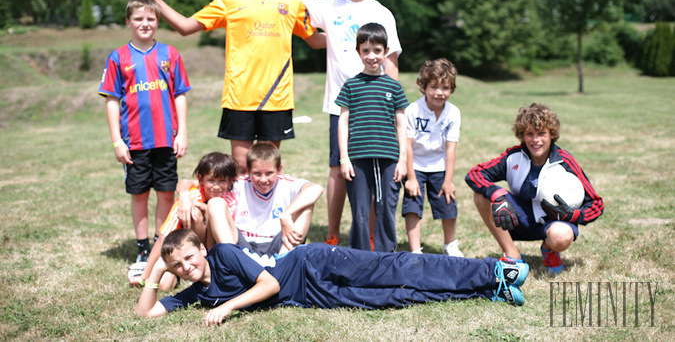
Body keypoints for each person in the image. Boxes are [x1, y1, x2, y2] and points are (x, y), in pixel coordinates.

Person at [129, 0, 326, 174]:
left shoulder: (291, 1)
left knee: (266, 170)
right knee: (242, 168)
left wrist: (350, 38)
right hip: (239, 97)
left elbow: (316, 41)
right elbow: (185, 27)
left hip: (277, 98)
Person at [275, 0, 402, 246]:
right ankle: (333, 233)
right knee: (338, 168)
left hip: (375, 105)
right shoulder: (333, 7)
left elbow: (392, 61)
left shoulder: (382, 14)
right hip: (341, 105)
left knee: (373, 169)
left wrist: (391, 100)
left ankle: (371, 236)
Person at [135, 229, 530, 324]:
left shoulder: (222, 254)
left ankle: (495, 268)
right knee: (395, 297)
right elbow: (144, 315)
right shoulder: (196, 294)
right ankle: (489, 290)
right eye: (179, 267)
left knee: (397, 267)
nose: (187, 268)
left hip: (312, 264)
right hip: (312, 296)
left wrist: (228, 309)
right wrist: (155, 272)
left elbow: (269, 284)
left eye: (189, 258)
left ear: (200, 249)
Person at [99, 0, 191, 263]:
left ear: (157, 21)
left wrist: (182, 133)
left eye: (150, 18)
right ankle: (142, 250)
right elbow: (112, 100)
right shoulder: (118, 57)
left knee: (166, 193)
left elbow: (180, 95)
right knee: (139, 194)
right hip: (134, 142)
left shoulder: (170, 54)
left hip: (165, 140)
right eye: (138, 18)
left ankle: (160, 245)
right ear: (128, 22)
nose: (145, 23)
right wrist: (117, 141)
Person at [465, 103, 604, 274]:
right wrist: (498, 194)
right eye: (529, 134)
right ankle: (512, 255)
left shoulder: (564, 161)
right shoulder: (513, 157)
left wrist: (573, 215)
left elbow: (596, 204)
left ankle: (550, 249)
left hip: (554, 222)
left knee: (561, 236)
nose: (535, 140)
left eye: (541, 134)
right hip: (520, 219)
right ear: (522, 135)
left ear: (552, 134)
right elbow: (475, 173)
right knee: (481, 195)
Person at [178, 142, 324, 262]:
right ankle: (233, 262)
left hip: (278, 243)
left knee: (306, 206)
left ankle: (282, 264)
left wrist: (286, 215)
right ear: (248, 170)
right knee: (215, 203)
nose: (263, 179)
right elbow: (189, 182)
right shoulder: (238, 184)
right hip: (243, 245)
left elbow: (316, 189)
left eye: (269, 173)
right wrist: (184, 195)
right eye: (257, 174)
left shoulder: (287, 183)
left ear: (279, 170)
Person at [336, 23, 408, 252]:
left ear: (386, 51)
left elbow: (401, 123)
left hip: (388, 158)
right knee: (360, 210)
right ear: (358, 52)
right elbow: (342, 122)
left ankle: (386, 254)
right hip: (358, 158)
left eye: (377, 50)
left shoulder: (394, 87)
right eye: (365, 50)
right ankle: (358, 255)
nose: (371, 56)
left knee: (386, 206)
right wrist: (344, 159)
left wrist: (403, 159)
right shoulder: (351, 86)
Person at [128, 152, 238, 291]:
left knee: (211, 210)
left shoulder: (231, 196)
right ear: (201, 179)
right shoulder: (189, 198)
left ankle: (216, 266)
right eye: (211, 181)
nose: (216, 186)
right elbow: (163, 237)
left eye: (222, 181)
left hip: (220, 248)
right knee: (164, 286)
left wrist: (206, 207)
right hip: (188, 253)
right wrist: (145, 276)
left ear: (230, 181)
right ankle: (143, 270)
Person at [403, 59, 463, 257]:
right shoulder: (412, 110)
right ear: (424, 87)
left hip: (440, 166)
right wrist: (411, 178)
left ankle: (450, 244)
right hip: (416, 165)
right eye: (434, 87)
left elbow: (451, 149)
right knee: (413, 205)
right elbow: (408, 147)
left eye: (445, 88)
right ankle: (415, 250)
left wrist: (448, 181)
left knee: (448, 204)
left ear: (452, 89)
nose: (439, 92)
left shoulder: (453, 112)